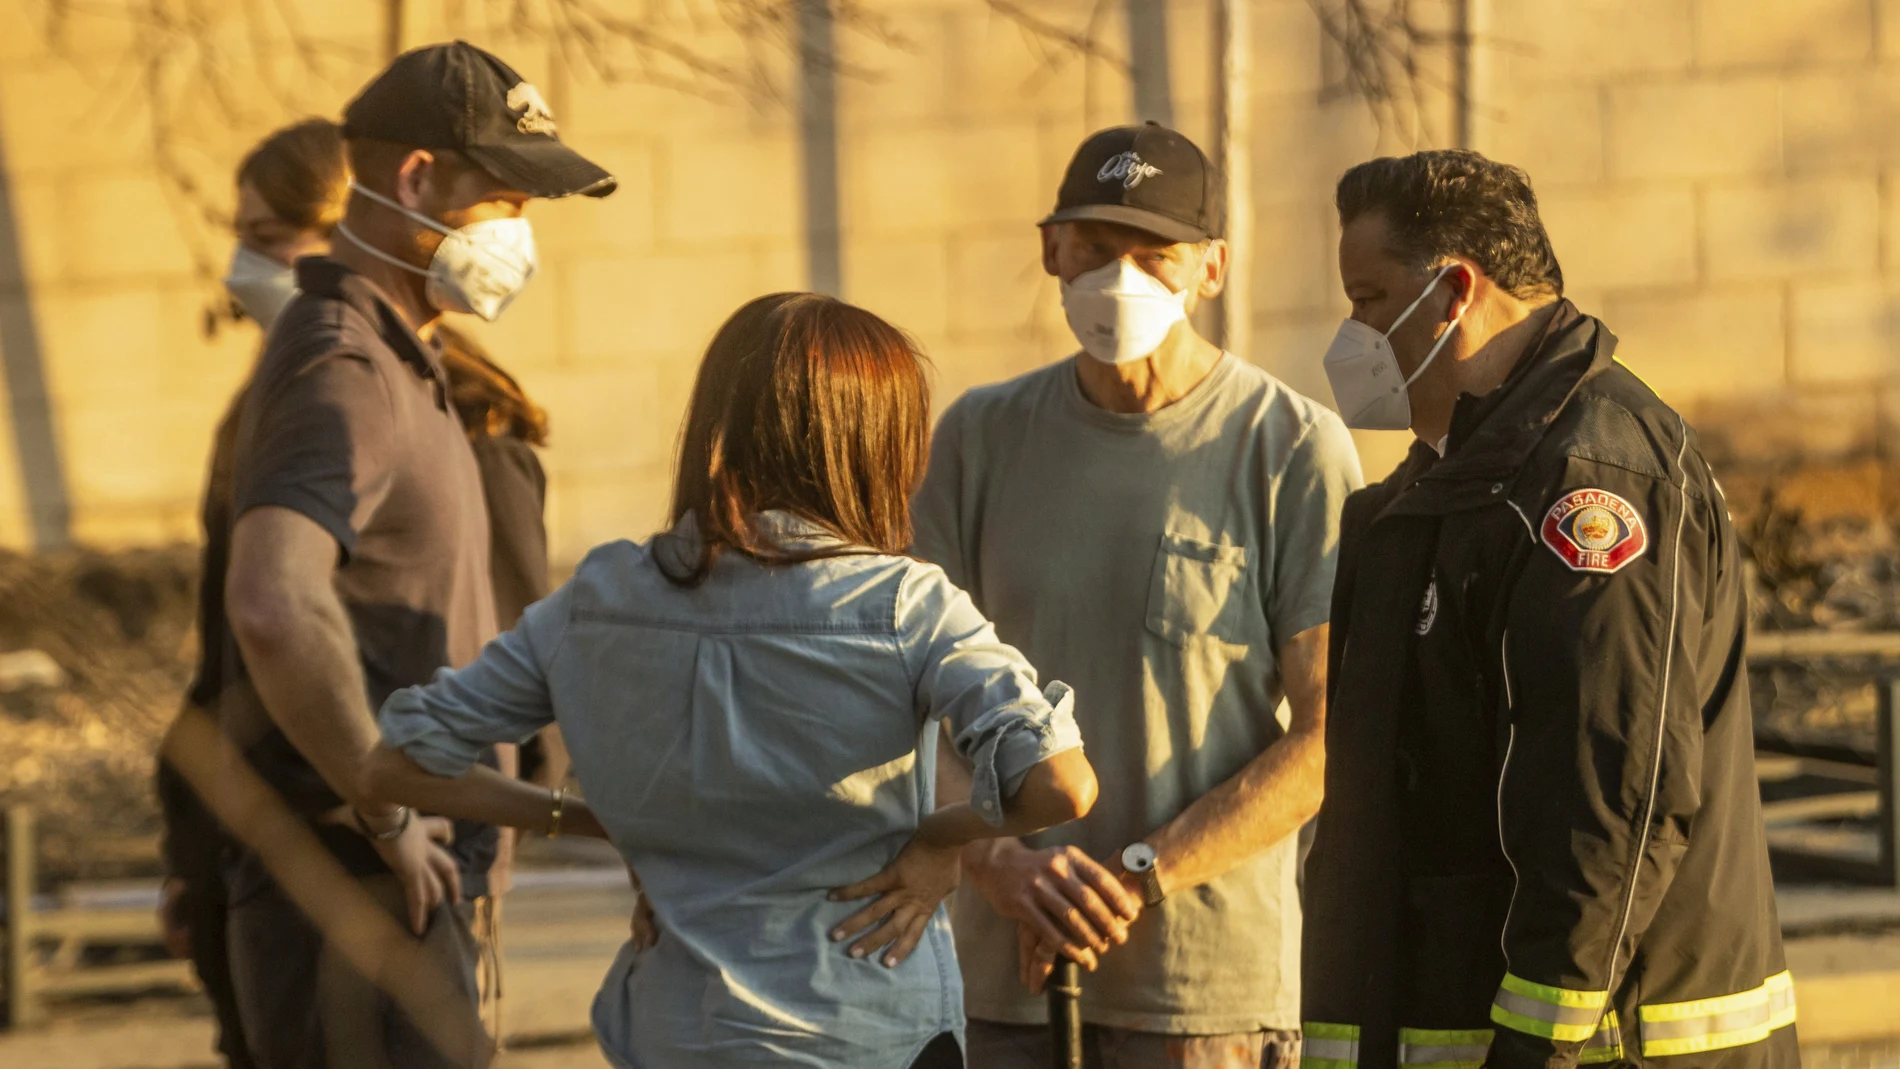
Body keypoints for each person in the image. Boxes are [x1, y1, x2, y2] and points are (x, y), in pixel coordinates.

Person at [359, 291, 1100, 1069]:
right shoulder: (904, 605)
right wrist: (941, 835)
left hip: (674, 1029)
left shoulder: (599, 596)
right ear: (873, 444)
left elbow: (394, 764)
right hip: (862, 1028)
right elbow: (1063, 785)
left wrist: (594, 818)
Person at [1301, 150, 1794, 1068]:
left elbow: (1607, 801)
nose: (1351, 335)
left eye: (1368, 300)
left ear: (1452, 291)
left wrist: (1533, 1049)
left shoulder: (1591, 486)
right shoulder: (1446, 487)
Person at [914, 123, 1364, 1069]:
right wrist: (997, 862)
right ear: (1051, 249)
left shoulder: (1288, 448)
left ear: (1211, 269)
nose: (1121, 280)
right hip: (1004, 984)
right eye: (1096, 250)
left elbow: (1332, 735)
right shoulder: (979, 440)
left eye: (1154, 256)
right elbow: (907, 701)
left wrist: (1140, 875)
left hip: (1206, 1000)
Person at [215, 41, 614, 1069]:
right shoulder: (345, 365)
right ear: (417, 179)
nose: (521, 236)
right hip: (358, 901)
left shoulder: (406, 360)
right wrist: (382, 797)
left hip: (417, 890)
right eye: (509, 202)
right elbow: (271, 598)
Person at [155, 116, 347, 1069]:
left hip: (347, 854)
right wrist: (189, 852)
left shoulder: (439, 404)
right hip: (241, 840)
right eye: (242, 236)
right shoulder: (257, 404)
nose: (243, 266)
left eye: (270, 239)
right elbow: (219, 644)